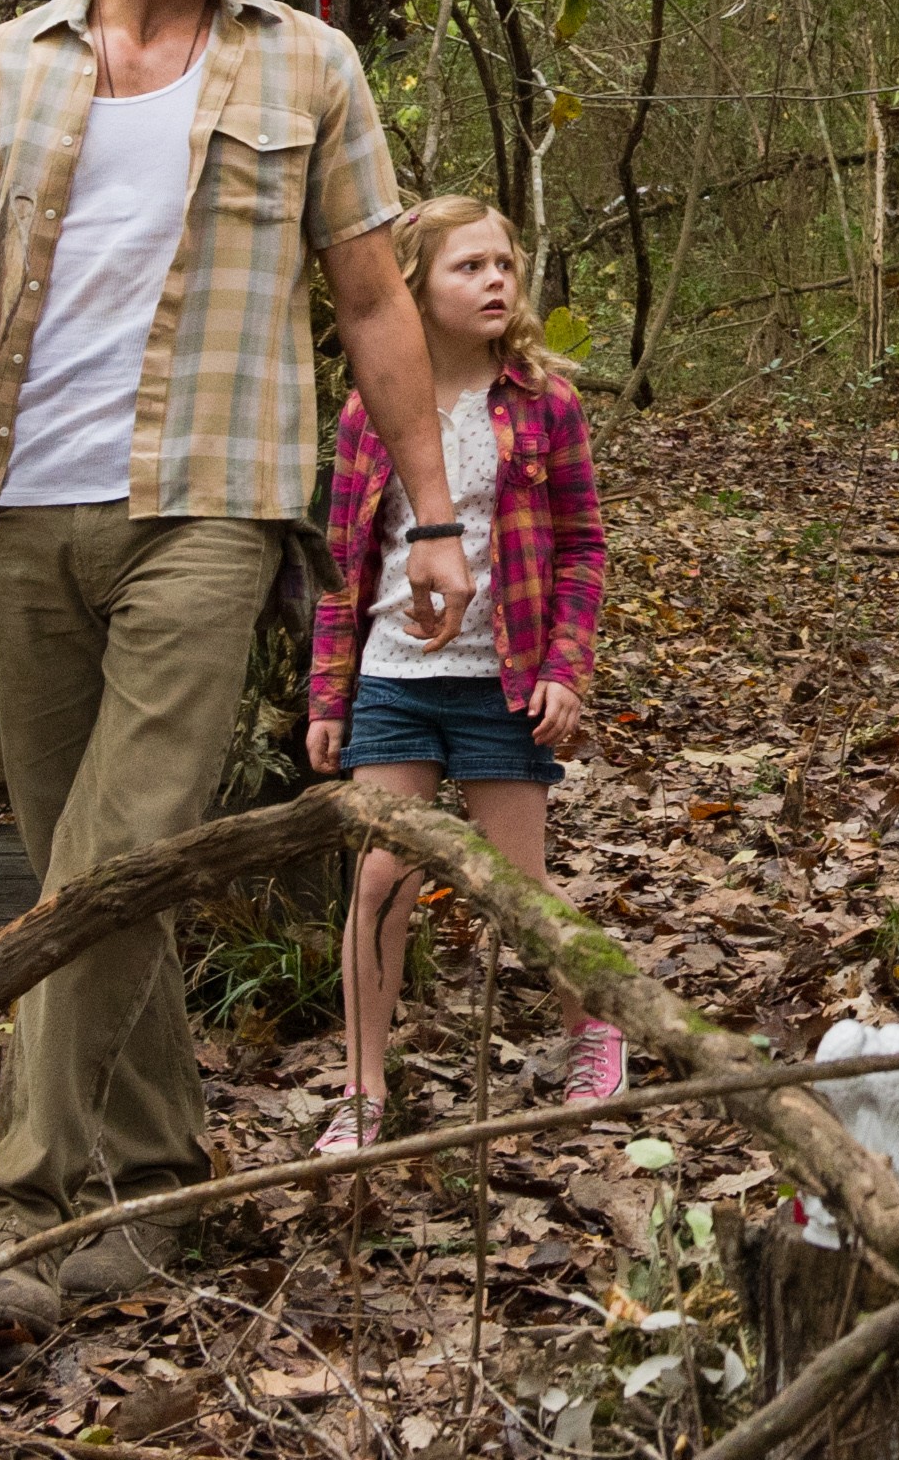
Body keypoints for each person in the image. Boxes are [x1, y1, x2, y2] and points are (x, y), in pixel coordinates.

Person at [0, 0, 473, 1331]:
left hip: (213, 504)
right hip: (24, 507)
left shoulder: (311, 67)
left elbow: (372, 299)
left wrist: (435, 516)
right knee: (91, 867)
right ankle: (156, 1186)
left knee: (111, 855)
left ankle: (14, 1212)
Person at [304, 195, 619, 1148]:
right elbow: (341, 556)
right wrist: (330, 693)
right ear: (413, 288)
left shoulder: (545, 403)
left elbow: (583, 546)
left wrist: (566, 668)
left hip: (504, 682)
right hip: (396, 678)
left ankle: (594, 1030)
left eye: (503, 264)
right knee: (379, 883)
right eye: (468, 266)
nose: (494, 280)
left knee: (519, 889)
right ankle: (362, 1090)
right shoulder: (369, 412)